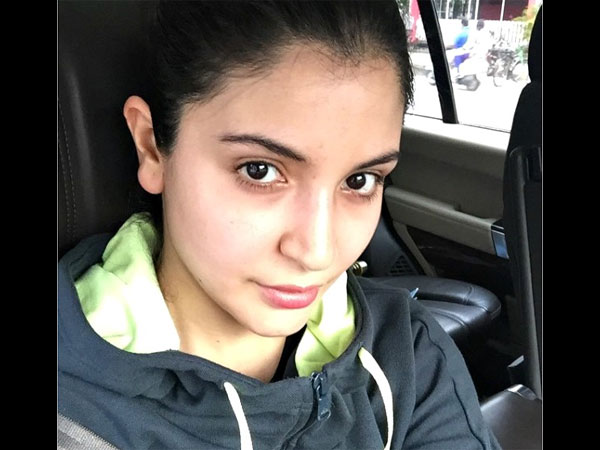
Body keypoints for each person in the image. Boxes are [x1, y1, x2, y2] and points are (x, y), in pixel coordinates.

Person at [58, 2, 501, 449]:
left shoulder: (407, 355)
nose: (317, 252)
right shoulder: (73, 404)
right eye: (260, 171)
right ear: (152, 148)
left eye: (360, 181)